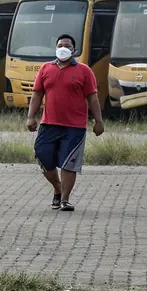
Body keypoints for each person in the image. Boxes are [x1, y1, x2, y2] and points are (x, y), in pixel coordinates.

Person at [26, 34, 104, 212]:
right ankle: (57, 187)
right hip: (49, 124)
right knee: (42, 155)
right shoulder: (46, 69)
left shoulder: (84, 71)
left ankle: (65, 199)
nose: (63, 48)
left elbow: (92, 97)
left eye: (67, 45)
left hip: (74, 126)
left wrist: (98, 121)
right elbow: (37, 94)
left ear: (74, 50)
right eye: (60, 45)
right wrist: (31, 116)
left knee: (69, 163)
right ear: (55, 48)